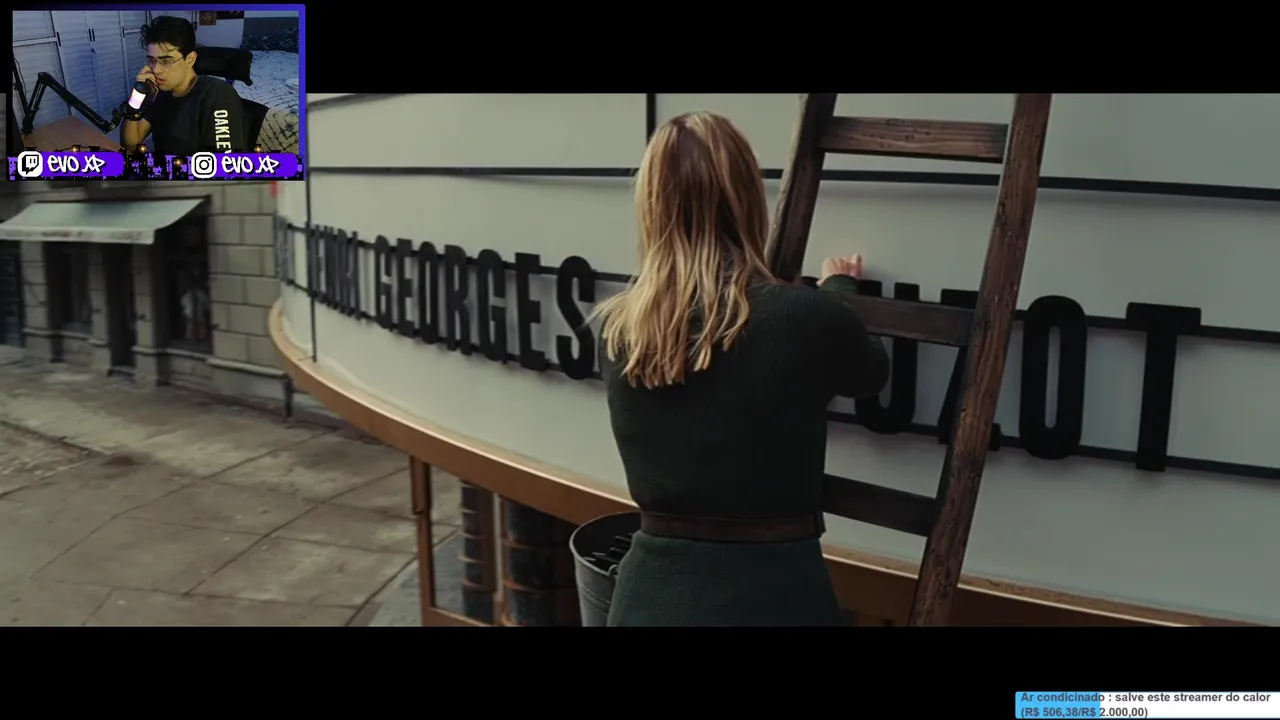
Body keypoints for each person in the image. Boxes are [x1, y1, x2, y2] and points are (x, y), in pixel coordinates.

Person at [594, 111, 891, 626]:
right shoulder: (803, 316)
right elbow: (870, 373)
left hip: (646, 601)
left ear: (651, 205)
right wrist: (839, 292)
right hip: (775, 601)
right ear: (747, 197)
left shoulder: (618, 328)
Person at [121, 16, 248, 156]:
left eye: (166, 61)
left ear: (190, 60)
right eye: (152, 60)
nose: (156, 70)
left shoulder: (217, 96)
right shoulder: (159, 90)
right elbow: (131, 144)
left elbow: (225, 165)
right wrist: (137, 95)